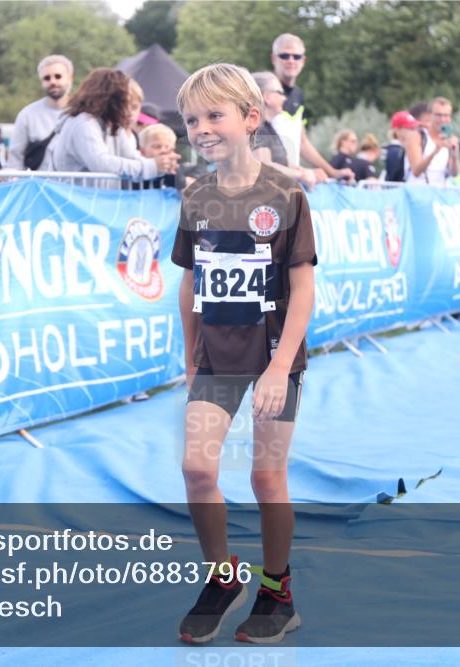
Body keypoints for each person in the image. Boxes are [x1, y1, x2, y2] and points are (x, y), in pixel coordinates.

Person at [172, 63, 315, 645]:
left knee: (264, 476)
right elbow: (190, 282)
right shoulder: (195, 194)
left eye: (213, 115)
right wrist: (189, 355)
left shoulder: (286, 193)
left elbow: (303, 285)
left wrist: (280, 367)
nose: (200, 129)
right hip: (216, 356)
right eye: (190, 120)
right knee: (198, 469)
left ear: (250, 118)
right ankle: (223, 575)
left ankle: (277, 592)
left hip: (274, 356)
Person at [46, 68, 178, 182]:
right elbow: (101, 163)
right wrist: (153, 167)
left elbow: (131, 157)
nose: (127, 110)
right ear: (109, 100)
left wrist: (164, 166)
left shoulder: (112, 125)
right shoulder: (83, 124)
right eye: (123, 102)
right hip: (71, 203)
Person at [269, 33, 353, 182]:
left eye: (296, 56)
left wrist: (333, 172)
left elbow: (302, 142)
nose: (291, 61)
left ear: (303, 61)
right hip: (264, 182)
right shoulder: (262, 91)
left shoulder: (298, 94)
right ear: (274, 58)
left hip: (288, 183)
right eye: (284, 56)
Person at [250, 71, 321, 188]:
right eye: (280, 92)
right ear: (267, 97)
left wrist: (303, 171)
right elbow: (263, 167)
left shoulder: (267, 128)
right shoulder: (259, 129)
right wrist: (300, 175)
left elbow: (279, 165)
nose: (284, 98)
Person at [6, 55, 73, 170]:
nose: (53, 81)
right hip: (39, 185)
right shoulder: (27, 115)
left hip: (72, 186)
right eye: (47, 78)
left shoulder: (83, 113)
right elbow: (15, 157)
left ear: (70, 78)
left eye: (58, 76)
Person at [404, 96, 460, 185]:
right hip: (416, 193)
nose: (442, 119)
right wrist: (436, 150)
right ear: (430, 115)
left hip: (438, 194)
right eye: (438, 115)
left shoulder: (449, 139)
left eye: (446, 115)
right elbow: (416, 172)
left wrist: (454, 155)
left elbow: (455, 174)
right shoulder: (417, 135)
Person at [383, 110, 423, 182]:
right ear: (397, 130)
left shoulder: (403, 148)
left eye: (414, 128)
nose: (414, 131)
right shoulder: (395, 151)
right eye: (410, 128)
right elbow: (394, 177)